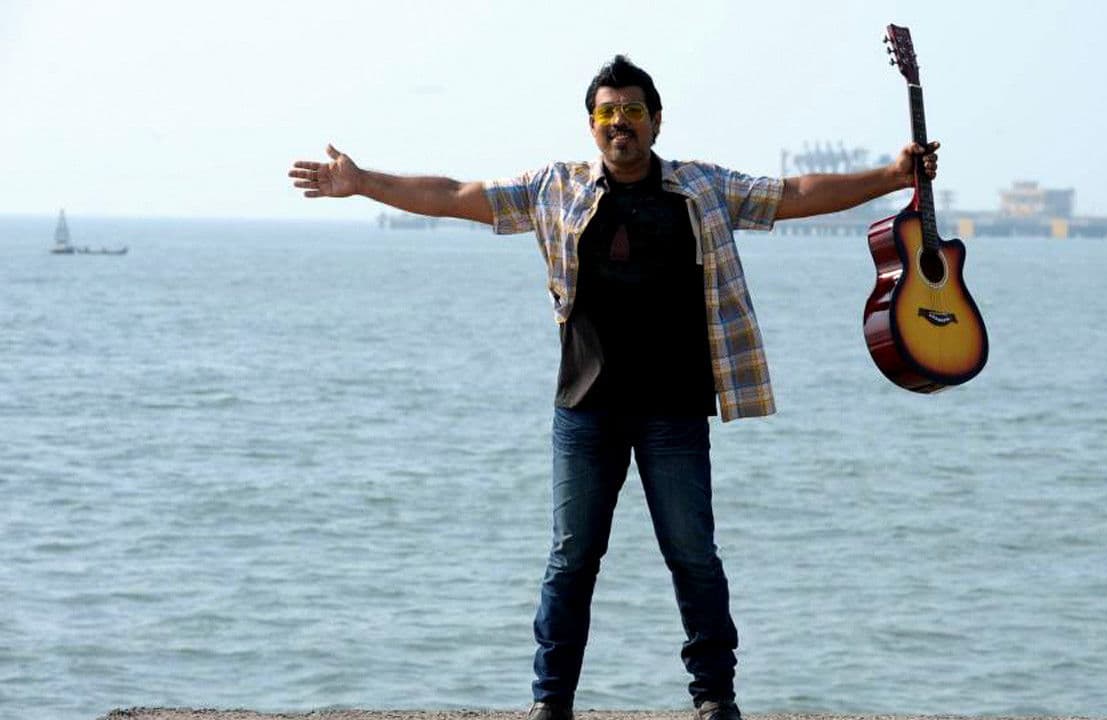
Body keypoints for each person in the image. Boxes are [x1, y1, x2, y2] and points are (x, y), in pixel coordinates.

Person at [289, 54, 938, 720]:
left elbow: (793, 194)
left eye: (632, 111)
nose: (619, 123)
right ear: (591, 124)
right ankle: (551, 702)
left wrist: (892, 176)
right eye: (607, 112)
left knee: (693, 555)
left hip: (674, 409)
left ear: (655, 121)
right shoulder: (555, 187)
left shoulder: (701, 187)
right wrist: (362, 182)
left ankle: (715, 697)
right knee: (571, 558)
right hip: (585, 408)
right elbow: (457, 195)